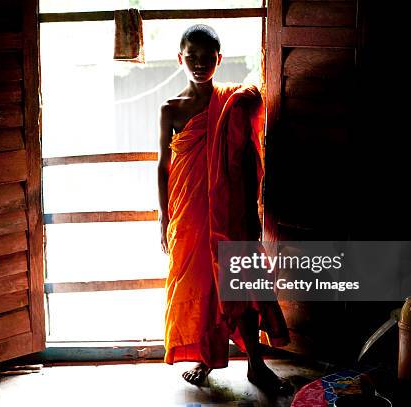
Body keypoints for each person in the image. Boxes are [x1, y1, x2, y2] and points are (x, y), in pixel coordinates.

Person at [157, 24, 291, 393]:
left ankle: (256, 364)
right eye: (192, 57)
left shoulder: (232, 104)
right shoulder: (170, 110)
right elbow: (162, 166)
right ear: (180, 58)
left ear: (219, 60)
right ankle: (206, 357)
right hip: (188, 214)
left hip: (229, 215)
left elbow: (245, 156)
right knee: (200, 286)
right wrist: (162, 216)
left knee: (240, 282)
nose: (199, 64)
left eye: (207, 58)